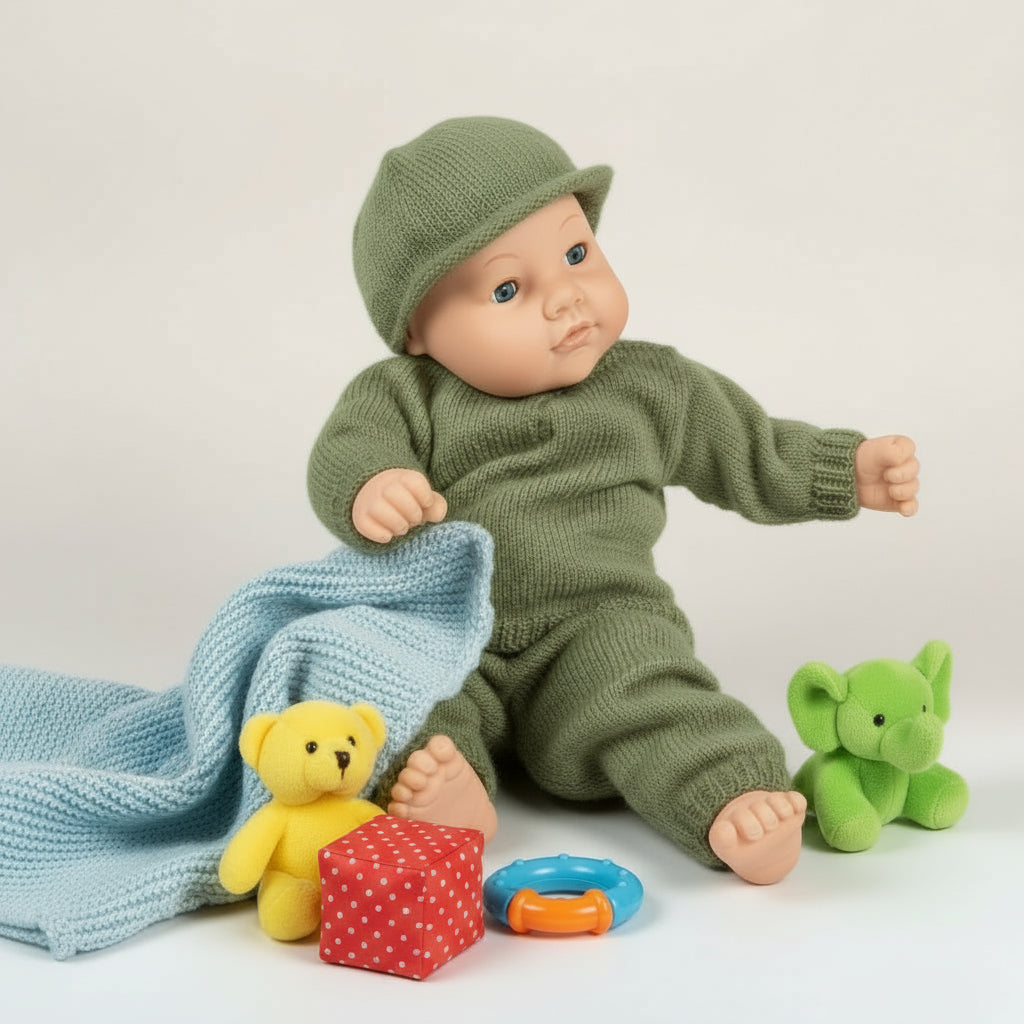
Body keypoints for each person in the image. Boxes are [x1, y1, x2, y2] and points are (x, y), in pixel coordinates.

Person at [307, 117, 919, 884]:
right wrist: (372, 484)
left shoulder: (649, 386)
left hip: (597, 623)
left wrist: (846, 469)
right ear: (418, 332)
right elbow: (345, 450)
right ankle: (445, 794)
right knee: (387, 696)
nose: (566, 299)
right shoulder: (405, 395)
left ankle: (727, 795)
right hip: (444, 629)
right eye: (508, 289)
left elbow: (750, 447)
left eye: (575, 254)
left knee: (649, 692)